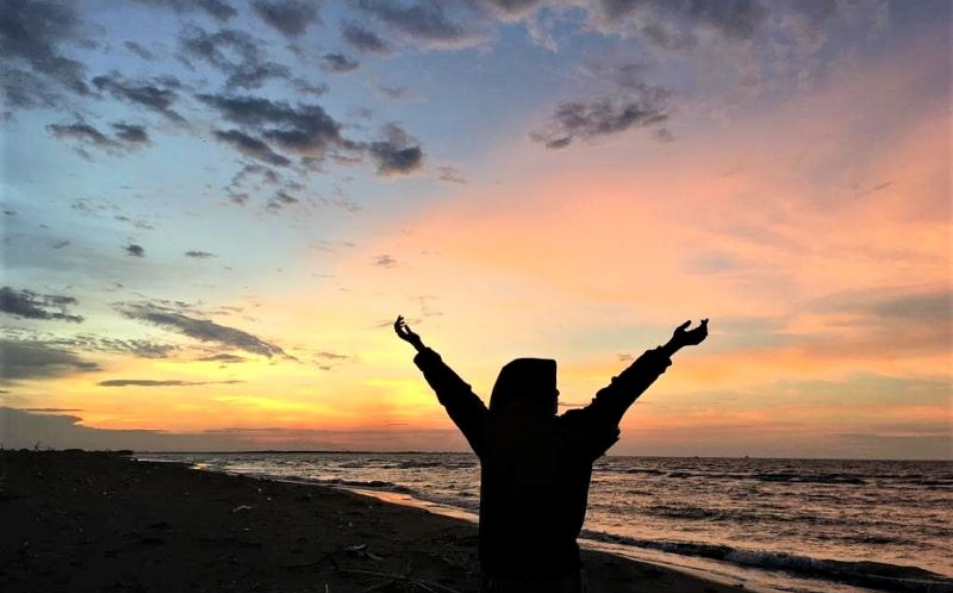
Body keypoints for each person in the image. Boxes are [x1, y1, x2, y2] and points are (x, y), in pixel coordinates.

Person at [394, 315, 709, 593]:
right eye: (554, 393)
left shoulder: (492, 433)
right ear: (542, 397)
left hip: (502, 576)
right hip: (558, 575)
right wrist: (672, 347)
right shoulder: (575, 434)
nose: (558, 398)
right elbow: (622, 392)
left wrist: (420, 350)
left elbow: (456, 395)